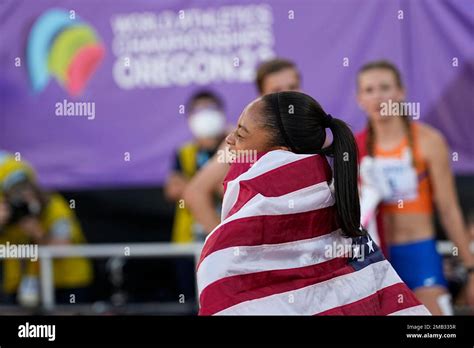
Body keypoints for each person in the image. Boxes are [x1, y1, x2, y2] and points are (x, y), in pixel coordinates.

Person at [196, 91, 430, 315]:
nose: (229, 140)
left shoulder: (237, 242)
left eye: (241, 133)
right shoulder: (329, 185)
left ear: (280, 153)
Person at [355, 60, 474, 315]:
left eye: (385, 87)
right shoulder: (354, 147)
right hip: (374, 258)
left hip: (419, 252)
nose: (378, 96)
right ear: (359, 99)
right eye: (369, 90)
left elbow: (448, 208)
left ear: (401, 93)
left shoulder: (429, 141)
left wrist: (471, 267)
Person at [184, 58, 302, 234]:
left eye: (292, 87)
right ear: (261, 97)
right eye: (276, 91)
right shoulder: (245, 140)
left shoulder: (317, 134)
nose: (287, 97)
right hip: (266, 254)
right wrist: (225, 244)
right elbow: (195, 193)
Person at [0, 152, 93, 306]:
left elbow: (61, 250)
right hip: (19, 285)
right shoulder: (6, 213)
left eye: (25, 188)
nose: (22, 197)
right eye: (14, 192)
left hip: (64, 283)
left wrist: (38, 232)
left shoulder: (55, 207)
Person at [165, 90, 227, 243]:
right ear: (191, 117)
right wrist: (207, 186)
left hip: (224, 227)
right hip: (190, 237)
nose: (206, 115)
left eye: (211, 109)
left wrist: (197, 186)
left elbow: (226, 188)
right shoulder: (185, 152)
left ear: (221, 113)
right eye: (200, 110)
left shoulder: (232, 147)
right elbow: (173, 190)